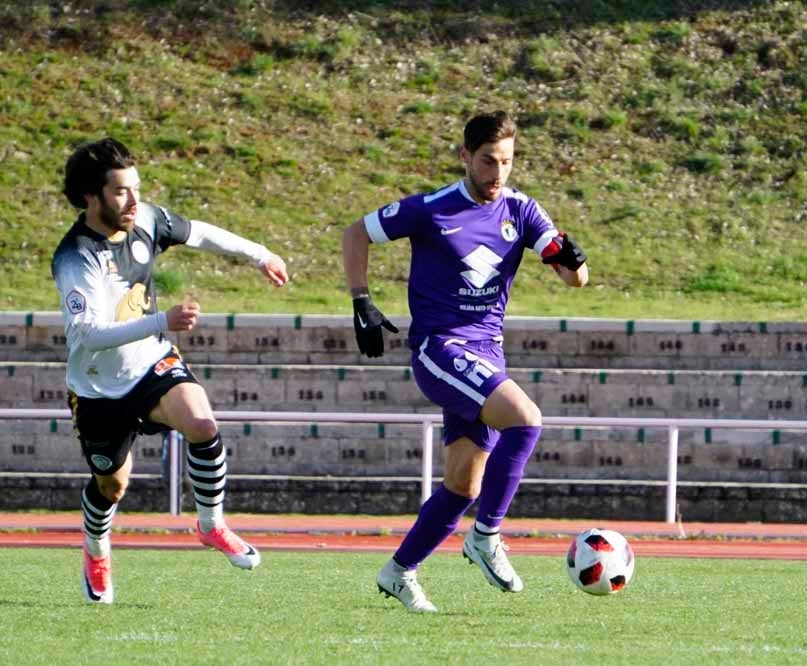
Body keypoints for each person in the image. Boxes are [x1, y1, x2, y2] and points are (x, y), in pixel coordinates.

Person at [342, 111, 589, 612]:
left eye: (507, 161)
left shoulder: (521, 210)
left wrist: (576, 261)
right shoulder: (431, 209)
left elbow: (572, 279)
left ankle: (398, 571)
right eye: (488, 161)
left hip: (487, 353)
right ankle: (486, 535)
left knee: (463, 483)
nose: (498, 172)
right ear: (464, 157)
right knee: (527, 419)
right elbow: (356, 233)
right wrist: (361, 300)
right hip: (441, 349)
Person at [52, 137, 289, 604]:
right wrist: (164, 320)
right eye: (121, 191)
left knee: (201, 422)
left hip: (151, 363)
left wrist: (260, 254)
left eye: (137, 188)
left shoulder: (145, 221)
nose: (134, 201)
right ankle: (97, 547)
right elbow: (87, 335)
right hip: (98, 387)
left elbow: (198, 231)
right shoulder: (75, 256)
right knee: (113, 485)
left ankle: (211, 524)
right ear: (90, 197)